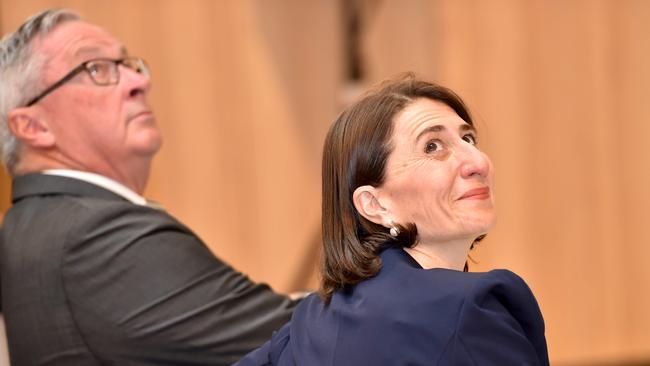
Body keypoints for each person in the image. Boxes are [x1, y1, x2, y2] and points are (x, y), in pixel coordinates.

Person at [0, 8, 295, 365]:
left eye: (126, 64)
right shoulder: (92, 237)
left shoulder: (44, 222)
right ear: (34, 127)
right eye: (95, 68)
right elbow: (307, 339)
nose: (137, 81)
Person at [236, 76, 550, 365]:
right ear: (375, 205)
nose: (477, 162)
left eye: (468, 139)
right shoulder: (468, 310)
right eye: (433, 147)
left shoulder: (310, 323)